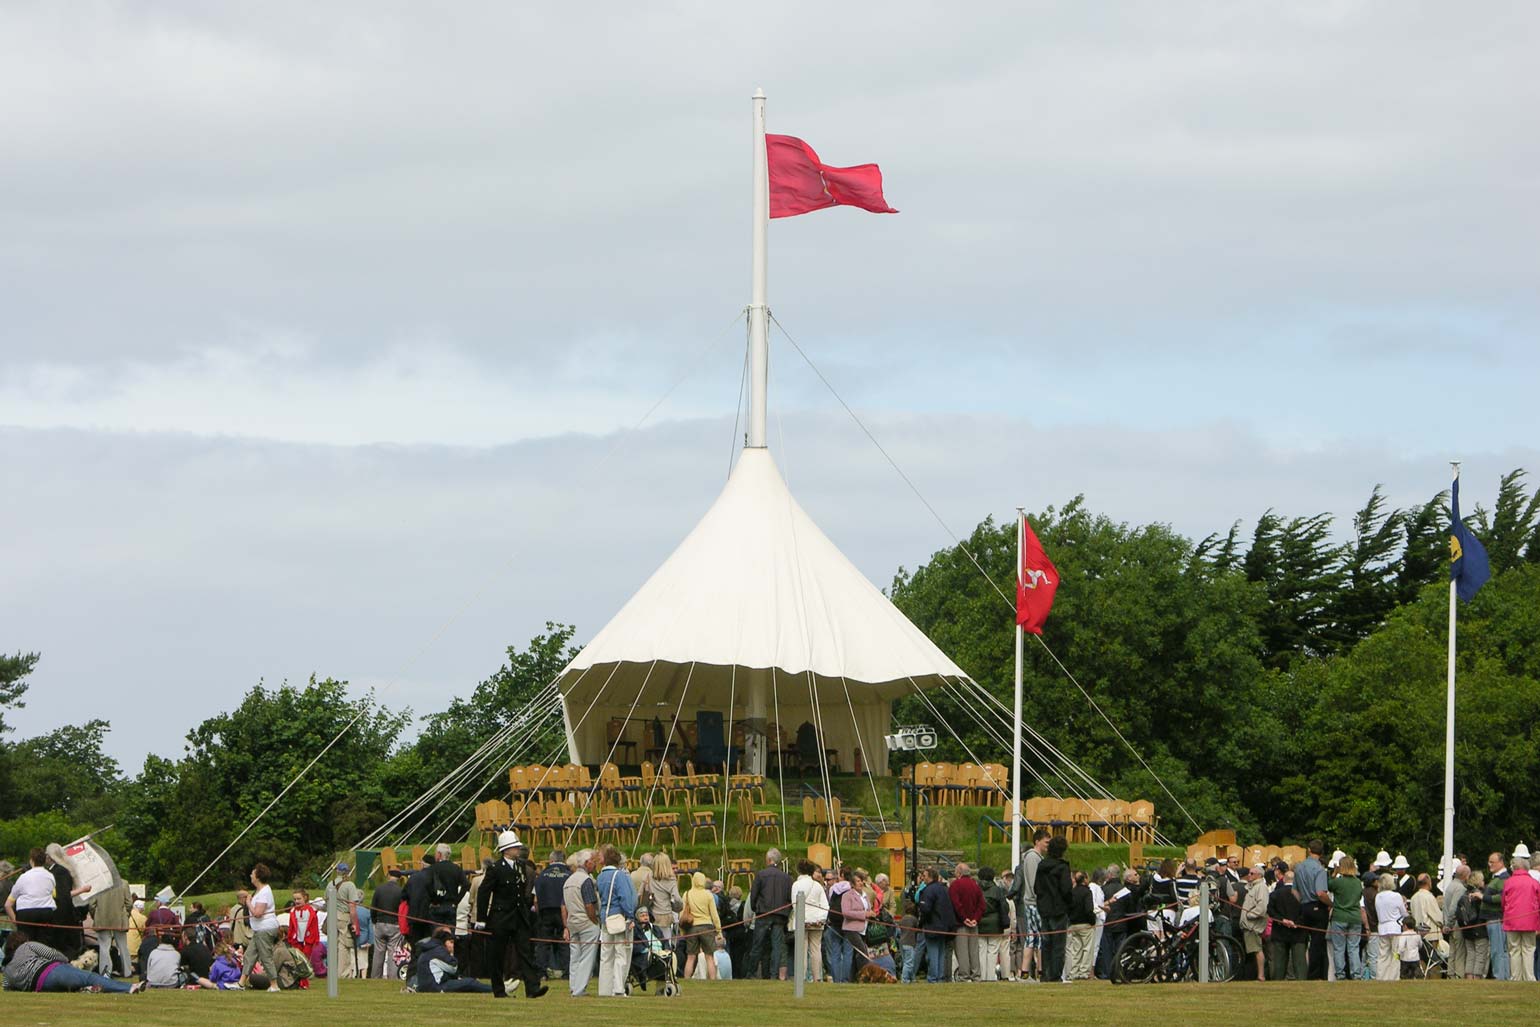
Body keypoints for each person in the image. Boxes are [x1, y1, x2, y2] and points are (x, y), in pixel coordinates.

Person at [476, 832, 547, 999]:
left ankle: (532, 988)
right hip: (500, 917)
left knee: (525, 952)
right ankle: (499, 990)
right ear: (506, 850)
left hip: (519, 917)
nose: (518, 849)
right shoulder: (496, 869)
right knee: (498, 955)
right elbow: (484, 893)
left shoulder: (521, 866)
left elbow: (522, 892)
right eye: (515, 847)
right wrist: (481, 918)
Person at [3, 930, 146, 994]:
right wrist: (67, 960)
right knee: (90, 977)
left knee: (79, 984)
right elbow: (51, 954)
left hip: (41, 986)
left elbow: (7, 987)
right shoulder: (27, 946)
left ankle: (89, 989)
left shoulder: (7, 970)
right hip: (50, 971)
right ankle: (128, 988)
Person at [594, 844, 637, 998]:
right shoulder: (619, 876)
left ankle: (604, 990)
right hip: (619, 918)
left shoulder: (600, 876)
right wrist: (630, 916)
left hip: (605, 919)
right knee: (621, 954)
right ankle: (618, 988)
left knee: (606, 956)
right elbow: (625, 898)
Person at [1007, 827, 1049, 982]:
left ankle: (1029, 972)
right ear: (1037, 841)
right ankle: (1036, 972)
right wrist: (1039, 899)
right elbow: (1032, 882)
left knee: (1033, 938)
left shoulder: (1034, 858)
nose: (1047, 845)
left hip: (1031, 902)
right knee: (1037, 938)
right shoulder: (1033, 858)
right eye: (1046, 842)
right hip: (1033, 903)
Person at [747, 848, 791, 980]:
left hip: (763, 913)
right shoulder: (786, 877)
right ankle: (773, 974)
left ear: (768, 860)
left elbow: (753, 895)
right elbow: (789, 897)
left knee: (757, 944)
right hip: (780, 915)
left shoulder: (761, 875)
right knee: (777, 946)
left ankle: (752, 972)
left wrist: (755, 908)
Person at [562, 848, 601, 997]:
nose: (595, 865)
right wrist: (594, 920)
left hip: (572, 922)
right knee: (587, 957)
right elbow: (589, 904)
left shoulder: (568, 881)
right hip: (586, 922)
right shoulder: (586, 880)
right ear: (587, 863)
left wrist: (566, 925)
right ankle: (579, 989)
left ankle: (573, 985)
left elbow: (563, 906)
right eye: (593, 862)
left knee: (575, 956)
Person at [1036, 835, 1074, 984]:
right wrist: (1069, 904)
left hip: (1044, 908)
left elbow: (1036, 887)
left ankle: (1045, 974)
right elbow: (1066, 889)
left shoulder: (1041, 866)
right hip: (1058, 909)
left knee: (1046, 944)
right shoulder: (1062, 867)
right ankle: (1055, 975)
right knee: (1058, 944)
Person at [43, 843, 91, 958]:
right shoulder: (56, 871)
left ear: (50, 857)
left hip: (61, 914)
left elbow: (64, 894)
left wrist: (81, 890)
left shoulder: (60, 872)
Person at [1293, 839, 1330, 980]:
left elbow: (1294, 891)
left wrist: (1302, 902)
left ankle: (1302, 972)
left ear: (1309, 850)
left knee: (1303, 941)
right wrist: (1331, 904)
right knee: (1317, 942)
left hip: (1304, 906)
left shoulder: (1299, 867)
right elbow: (1320, 893)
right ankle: (1316, 975)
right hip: (1317, 906)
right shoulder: (1319, 869)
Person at [5, 849, 57, 949]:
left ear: (31, 860)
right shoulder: (50, 876)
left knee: (26, 946)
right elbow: (53, 894)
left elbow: (8, 905)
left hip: (26, 913)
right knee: (44, 946)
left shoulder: (23, 877)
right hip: (46, 912)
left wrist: (16, 921)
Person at [415, 926, 493, 993]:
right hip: (436, 987)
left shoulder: (429, 949)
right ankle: (494, 989)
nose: (453, 946)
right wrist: (451, 954)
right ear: (444, 941)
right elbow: (454, 968)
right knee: (470, 982)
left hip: (426, 987)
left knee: (465, 983)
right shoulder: (439, 950)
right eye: (451, 942)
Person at [789, 858, 829, 982]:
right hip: (817, 921)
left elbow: (795, 904)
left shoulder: (796, 885)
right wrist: (820, 919)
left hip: (802, 920)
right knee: (816, 950)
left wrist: (804, 918)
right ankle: (817, 978)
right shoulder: (817, 886)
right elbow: (825, 906)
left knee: (801, 950)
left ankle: (801, 978)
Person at [1502, 854, 1540, 982]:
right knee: (1529, 949)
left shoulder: (1508, 882)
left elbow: (1503, 902)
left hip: (1512, 921)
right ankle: (1529, 977)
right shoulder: (1534, 883)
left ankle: (1515, 977)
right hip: (1530, 921)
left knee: (1514, 950)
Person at [534, 849, 571, 980]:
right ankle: (567, 972)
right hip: (564, 912)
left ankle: (541, 972)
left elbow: (536, 899)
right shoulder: (569, 875)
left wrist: (539, 913)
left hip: (546, 911)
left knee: (543, 943)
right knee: (564, 941)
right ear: (564, 859)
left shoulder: (541, 876)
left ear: (551, 860)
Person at [242, 864, 280, 990]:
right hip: (259, 930)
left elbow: (258, 913)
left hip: (265, 928)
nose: (250, 875)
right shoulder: (259, 891)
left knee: (265, 957)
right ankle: (241, 983)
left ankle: (274, 984)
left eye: (252, 874)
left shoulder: (264, 892)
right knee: (249, 955)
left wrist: (248, 903)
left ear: (257, 877)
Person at [1326, 854, 1364, 982]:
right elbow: (1359, 898)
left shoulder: (1338, 882)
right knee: (1354, 947)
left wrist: (1334, 873)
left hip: (1339, 916)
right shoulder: (1358, 883)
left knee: (1339, 947)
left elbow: (1328, 885)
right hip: (1355, 917)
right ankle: (1356, 974)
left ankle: (1340, 974)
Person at [681, 870, 723, 980]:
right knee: (709, 956)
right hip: (707, 927)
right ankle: (712, 980)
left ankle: (686, 979)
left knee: (690, 957)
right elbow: (714, 915)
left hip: (691, 927)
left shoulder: (687, 894)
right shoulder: (708, 895)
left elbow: (682, 914)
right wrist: (718, 930)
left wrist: (682, 931)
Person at [1266, 868, 1307, 981]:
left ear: (1284, 879)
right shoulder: (1302, 894)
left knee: (1279, 962)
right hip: (1298, 931)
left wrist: (1282, 920)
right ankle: (1302, 982)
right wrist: (1297, 923)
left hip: (1280, 930)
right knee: (1299, 962)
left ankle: (1277, 981)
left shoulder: (1275, 894)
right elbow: (1305, 912)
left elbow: (1270, 910)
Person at [917, 866, 956, 983]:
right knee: (941, 953)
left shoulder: (928, 890)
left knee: (933, 953)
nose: (922, 878)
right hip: (943, 926)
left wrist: (923, 921)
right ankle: (939, 977)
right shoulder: (944, 889)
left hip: (933, 926)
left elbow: (925, 909)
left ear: (929, 877)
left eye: (924, 876)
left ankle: (933, 978)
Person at [89, 879, 133, 978]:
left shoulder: (98, 883)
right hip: (120, 919)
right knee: (123, 946)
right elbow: (129, 903)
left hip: (102, 918)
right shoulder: (124, 883)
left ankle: (105, 973)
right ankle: (127, 972)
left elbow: (91, 904)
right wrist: (126, 915)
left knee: (104, 947)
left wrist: (95, 916)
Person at [332, 862, 366, 978]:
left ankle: (339, 971)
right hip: (344, 916)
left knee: (338, 944)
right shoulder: (349, 885)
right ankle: (344, 973)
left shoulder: (332, 884)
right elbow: (352, 907)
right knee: (345, 946)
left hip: (334, 916)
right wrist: (355, 923)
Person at [369, 869, 405, 979]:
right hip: (394, 923)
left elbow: (373, 907)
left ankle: (375, 976)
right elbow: (403, 909)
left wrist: (374, 920)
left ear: (389, 876)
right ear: (399, 879)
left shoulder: (379, 889)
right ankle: (392, 977)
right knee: (393, 952)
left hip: (380, 923)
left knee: (378, 952)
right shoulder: (401, 891)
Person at [841, 867, 874, 977]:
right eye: (858, 881)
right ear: (852, 884)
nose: (860, 883)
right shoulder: (847, 896)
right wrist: (864, 914)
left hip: (864, 929)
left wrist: (871, 913)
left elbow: (868, 909)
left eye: (861, 880)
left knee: (858, 955)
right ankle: (864, 975)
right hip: (851, 929)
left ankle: (854, 977)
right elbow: (846, 912)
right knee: (862, 953)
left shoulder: (865, 895)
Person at [1373, 873, 1408, 981]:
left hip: (1383, 928)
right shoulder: (1396, 896)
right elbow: (1404, 912)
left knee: (1383, 954)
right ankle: (1393, 977)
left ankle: (1381, 977)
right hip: (1395, 928)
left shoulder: (1378, 896)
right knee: (1395, 954)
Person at [976, 866, 1008, 982]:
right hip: (995, 924)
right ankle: (990, 977)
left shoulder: (977, 889)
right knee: (993, 952)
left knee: (981, 950)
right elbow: (1005, 906)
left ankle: (982, 977)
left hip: (979, 922)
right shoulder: (997, 890)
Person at [1240, 864, 1270, 981]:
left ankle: (1261, 975)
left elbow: (1262, 907)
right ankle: (1258, 974)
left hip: (1253, 926)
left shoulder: (1261, 887)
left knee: (1257, 950)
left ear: (1259, 875)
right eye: (1249, 873)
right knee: (1253, 950)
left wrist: (1249, 915)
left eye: (1252, 873)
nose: (1249, 875)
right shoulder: (1252, 887)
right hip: (1249, 925)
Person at [1484, 851, 1510, 979]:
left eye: (1492, 862)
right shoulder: (1497, 878)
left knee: (1497, 950)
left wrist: (1482, 897)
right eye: (1489, 862)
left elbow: (1502, 897)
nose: (1489, 864)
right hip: (1494, 919)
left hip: (1497, 919)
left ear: (1501, 862)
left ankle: (1500, 977)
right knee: (1499, 950)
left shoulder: (1503, 878)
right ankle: (1503, 976)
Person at [1066, 870, 1096, 981]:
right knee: (1087, 948)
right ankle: (1084, 972)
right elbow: (1089, 909)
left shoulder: (1072, 892)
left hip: (1073, 924)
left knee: (1076, 949)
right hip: (1085, 924)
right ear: (1085, 880)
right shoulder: (1087, 892)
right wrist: (1092, 921)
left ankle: (1074, 971)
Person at [1443, 862, 1470, 980]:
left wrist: (1446, 923)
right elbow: (1454, 907)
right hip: (1456, 924)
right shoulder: (1460, 888)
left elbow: (1445, 907)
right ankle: (1458, 975)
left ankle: (1450, 974)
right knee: (1459, 952)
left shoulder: (1450, 885)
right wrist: (1449, 924)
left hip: (1449, 923)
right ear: (1465, 876)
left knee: (1452, 951)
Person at [1461, 870, 1489, 978]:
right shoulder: (1479, 895)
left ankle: (1469, 978)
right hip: (1479, 928)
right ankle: (1477, 978)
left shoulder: (1464, 893)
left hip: (1467, 928)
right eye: (1482, 880)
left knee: (1470, 954)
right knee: (1480, 955)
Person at [286, 889, 321, 963]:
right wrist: (290, 937)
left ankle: (308, 971)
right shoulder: (293, 911)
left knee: (307, 957)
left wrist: (316, 939)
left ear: (305, 898)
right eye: (295, 899)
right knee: (298, 958)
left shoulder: (311, 911)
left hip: (308, 939)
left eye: (299, 899)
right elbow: (291, 926)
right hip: (297, 939)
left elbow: (315, 926)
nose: (296, 901)